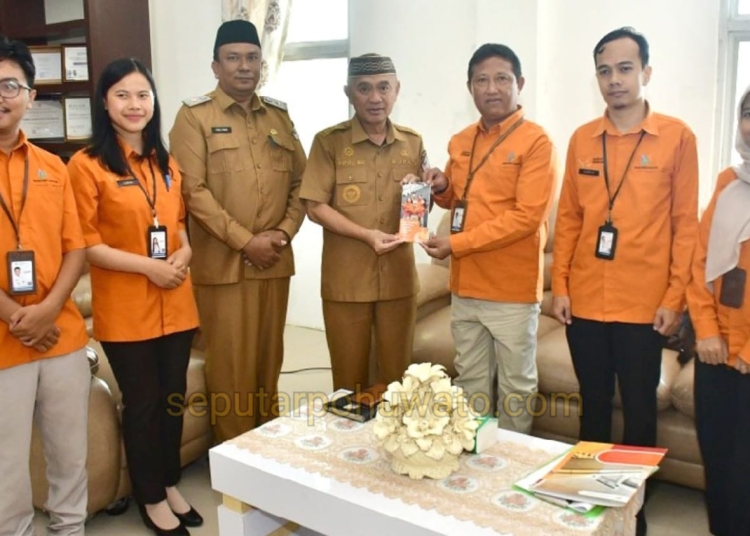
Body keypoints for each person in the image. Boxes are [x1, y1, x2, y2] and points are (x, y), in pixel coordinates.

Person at [550, 27, 699, 535]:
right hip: (585, 301)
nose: (614, 80)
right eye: (604, 70)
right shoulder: (582, 139)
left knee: (638, 411)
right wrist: (560, 286)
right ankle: (586, 509)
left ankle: (631, 514)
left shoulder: (677, 137)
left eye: (625, 69)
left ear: (645, 73)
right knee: (592, 404)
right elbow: (569, 219)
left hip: (645, 306)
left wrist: (675, 299)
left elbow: (685, 226)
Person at [68, 58, 201, 536]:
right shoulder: (86, 165)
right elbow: (86, 244)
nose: (134, 104)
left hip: (176, 303)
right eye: (122, 95)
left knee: (172, 399)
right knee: (143, 404)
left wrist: (184, 252)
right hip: (127, 308)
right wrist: (149, 267)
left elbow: (178, 224)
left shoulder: (167, 162)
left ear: (154, 102)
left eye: (142, 94)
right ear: (104, 103)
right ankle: (150, 496)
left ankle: (168, 482)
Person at [169, 20, 306, 442]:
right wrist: (247, 242)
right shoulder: (194, 117)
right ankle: (234, 459)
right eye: (233, 58)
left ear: (261, 64)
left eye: (252, 58)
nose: (244, 66)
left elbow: (304, 183)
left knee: (269, 361)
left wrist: (282, 234)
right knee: (231, 367)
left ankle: (266, 448)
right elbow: (192, 191)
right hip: (223, 267)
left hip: (274, 262)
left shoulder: (279, 116)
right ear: (215, 66)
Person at [421, 43, 557, 434]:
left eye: (501, 79)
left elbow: (526, 218)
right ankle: (475, 453)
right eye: (482, 80)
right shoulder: (461, 140)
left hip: (511, 291)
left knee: (516, 385)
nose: (492, 88)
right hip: (465, 286)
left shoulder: (537, 143)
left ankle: (511, 460)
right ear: (470, 88)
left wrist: (455, 245)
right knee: (470, 379)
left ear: (520, 84)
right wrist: (442, 186)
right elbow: (456, 197)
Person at [0, 35, 90, 536]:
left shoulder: (53, 167)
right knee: (6, 465)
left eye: (10, 85)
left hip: (62, 335)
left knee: (69, 452)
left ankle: (70, 529)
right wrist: (19, 317)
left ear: (31, 96)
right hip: (4, 342)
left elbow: (76, 248)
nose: (1, 96)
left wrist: (48, 310)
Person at [300, 54, 425, 391]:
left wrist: (421, 189)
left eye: (384, 88)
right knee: (349, 382)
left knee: (397, 380)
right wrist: (365, 235)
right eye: (364, 89)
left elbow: (419, 208)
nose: (375, 98)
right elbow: (314, 206)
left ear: (397, 90)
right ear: (348, 93)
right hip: (347, 281)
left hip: (398, 280)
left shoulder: (412, 142)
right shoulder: (329, 142)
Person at [687, 85, 750, 536]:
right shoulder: (729, 182)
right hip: (715, 353)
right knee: (719, 460)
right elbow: (700, 260)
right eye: (749, 113)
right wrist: (706, 330)